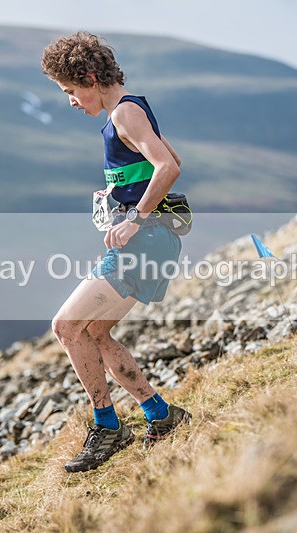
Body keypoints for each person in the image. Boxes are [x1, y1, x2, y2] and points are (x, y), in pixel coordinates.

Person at [41, 32, 191, 473]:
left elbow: (170, 167)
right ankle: (161, 415)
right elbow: (166, 157)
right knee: (94, 332)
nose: (70, 101)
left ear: (89, 77)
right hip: (155, 240)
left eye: (70, 90)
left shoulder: (124, 113)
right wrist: (119, 195)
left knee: (66, 327)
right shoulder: (128, 111)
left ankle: (108, 428)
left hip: (144, 241)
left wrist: (135, 216)